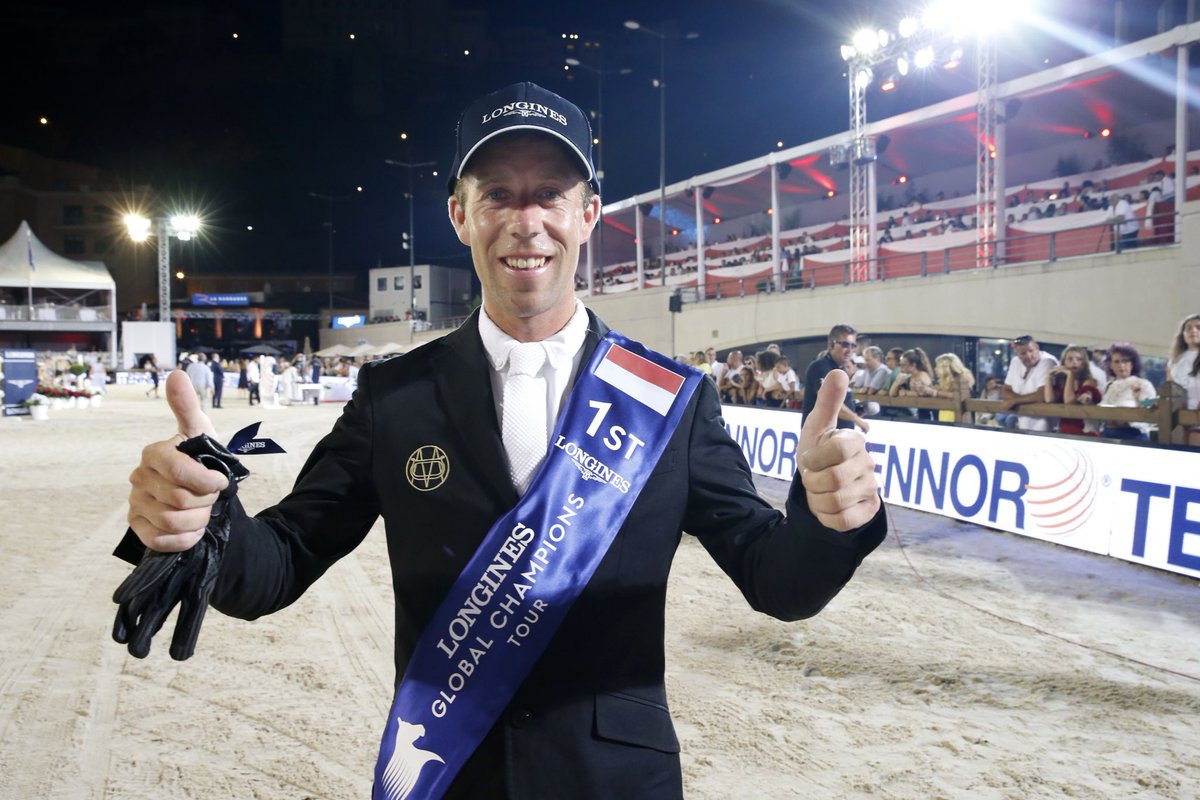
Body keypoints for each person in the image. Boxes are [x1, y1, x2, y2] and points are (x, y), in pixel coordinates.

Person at [118, 81, 885, 799]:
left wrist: (829, 520)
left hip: (614, 779)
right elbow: (277, 566)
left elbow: (779, 584)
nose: (527, 222)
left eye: (550, 194)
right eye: (498, 197)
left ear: (588, 214)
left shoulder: (672, 402)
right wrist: (205, 522)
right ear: (460, 216)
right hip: (449, 774)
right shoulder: (394, 398)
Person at [802, 324, 870, 433]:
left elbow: (842, 403)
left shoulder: (841, 370)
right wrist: (857, 420)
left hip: (837, 438)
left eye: (853, 346)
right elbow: (831, 402)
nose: (850, 350)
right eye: (845, 345)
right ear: (831, 345)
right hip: (819, 438)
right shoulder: (820, 367)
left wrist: (854, 411)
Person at [1000, 335, 1059, 431]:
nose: (1028, 356)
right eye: (1023, 353)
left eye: (1031, 351)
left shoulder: (1047, 361)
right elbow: (1005, 391)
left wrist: (1013, 401)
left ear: (1037, 348)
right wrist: (1027, 398)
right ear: (1017, 354)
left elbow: (1042, 395)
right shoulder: (1015, 362)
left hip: (1048, 430)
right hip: (1024, 427)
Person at [1099, 342, 1157, 441]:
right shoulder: (1109, 386)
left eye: (1125, 361)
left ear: (1132, 364)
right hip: (1108, 434)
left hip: (1133, 435)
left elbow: (1152, 407)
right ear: (1111, 365)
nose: (1121, 365)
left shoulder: (1144, 384)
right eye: (1116, 362)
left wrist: (1137, 399)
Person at [1044, 345, 1100, 435]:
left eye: (1079, 359)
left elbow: (1069, 401)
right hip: (1065, 430)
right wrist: (1049, 376)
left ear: (1084, 363)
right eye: (1070, 359)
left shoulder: (1089, 381)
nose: (1074, 362)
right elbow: (1049, 399)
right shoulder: (1061, 382)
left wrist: (1070, 374)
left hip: (1085, 431)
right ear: (1063, 362)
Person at [1168, 314, 1200, 446]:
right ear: (1183, 334)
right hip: (1178, 420)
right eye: (1189, 328)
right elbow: (1170, 388)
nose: (1193, 331)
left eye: (1198, 327)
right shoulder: (1175, 361)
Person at [932, 353, 975, 423]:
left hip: (957, 416)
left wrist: (936, 393)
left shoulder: (961, 378)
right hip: (945, 414)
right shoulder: (944, 380)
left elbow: (959, 396)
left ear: (946, 367)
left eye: (938, 366)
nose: (935, 369)